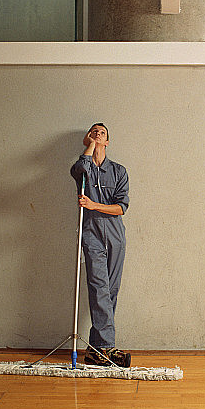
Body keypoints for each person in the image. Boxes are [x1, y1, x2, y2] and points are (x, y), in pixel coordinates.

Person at [70, 123, 131, 368]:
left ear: (108, 142)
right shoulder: (82, 169)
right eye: (93, 132)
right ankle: (108, 347)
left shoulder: (118, 171)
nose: (98, 134)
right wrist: (89, 147)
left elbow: (121, 208)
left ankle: (96, 350)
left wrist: (94, 205)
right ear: (88, 138)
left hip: (115, 235)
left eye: (102, 133)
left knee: (110, 292)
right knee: (98, 289)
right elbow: (78, 169)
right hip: (92, 234)